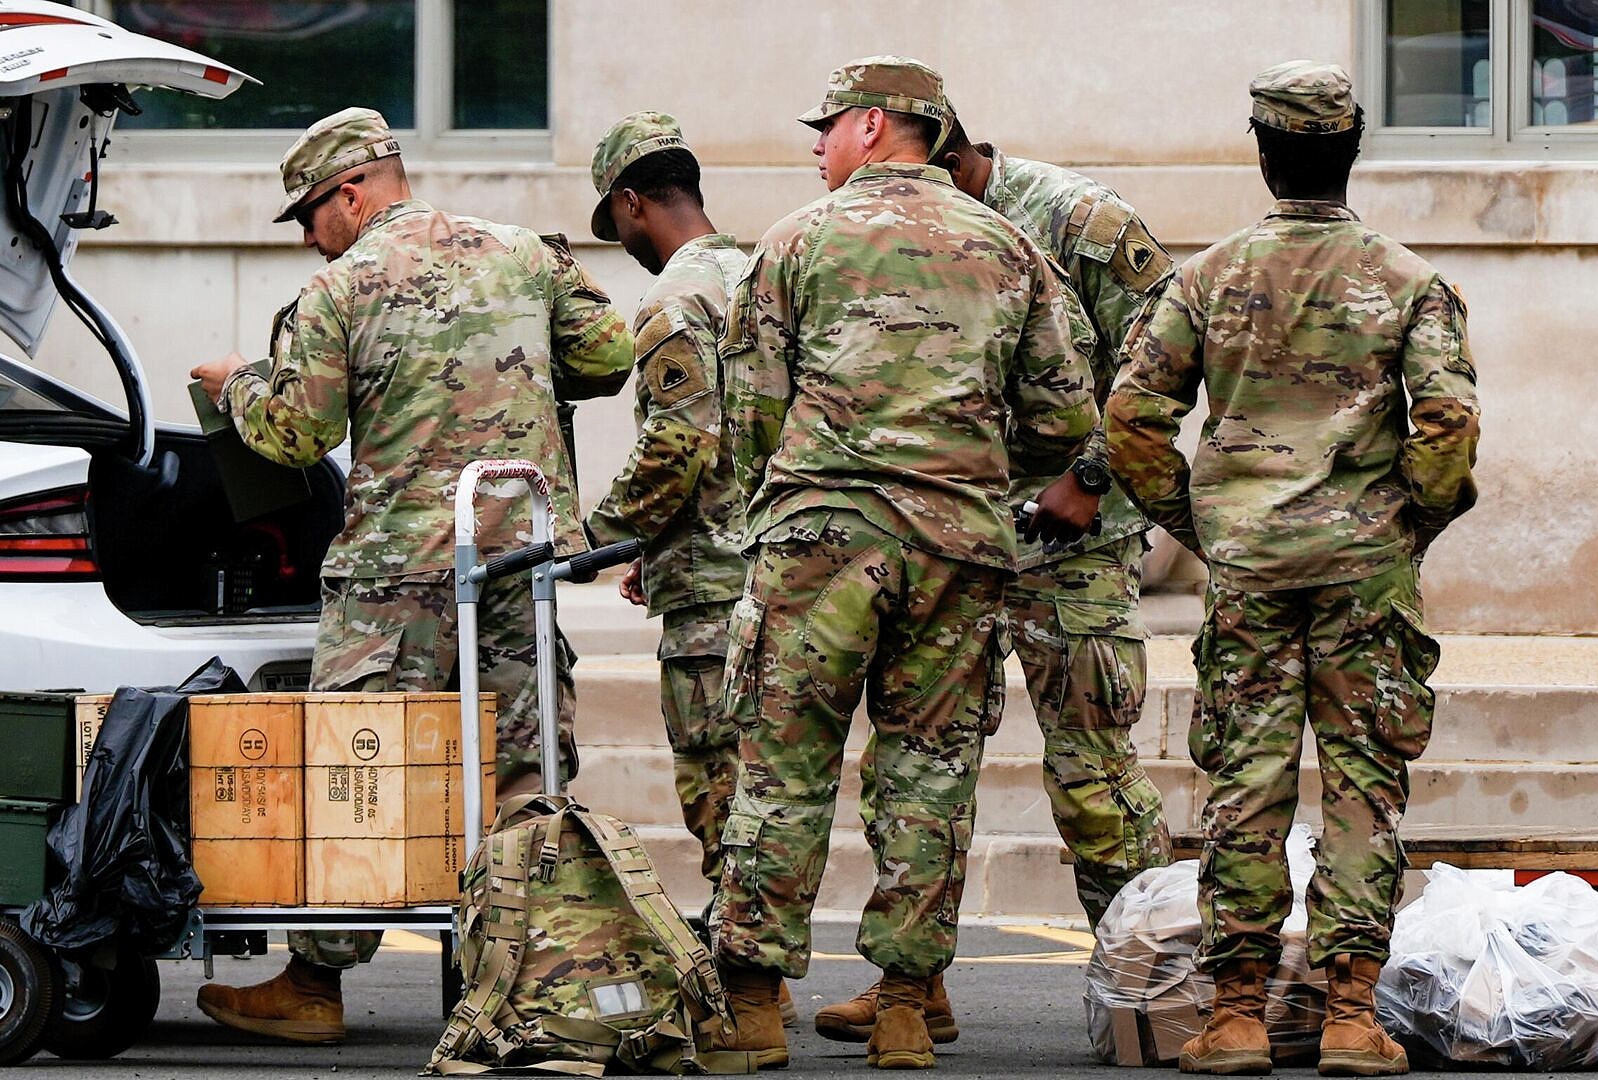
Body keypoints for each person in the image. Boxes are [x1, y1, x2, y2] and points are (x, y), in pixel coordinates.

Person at [187, 107, 633, 1045]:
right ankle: (520, 981)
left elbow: (296, 435)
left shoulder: (339, 288)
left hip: (395, 584)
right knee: (523, 771)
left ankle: (315, 985)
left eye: (310, 213)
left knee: (363, 769)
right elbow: (608, 355)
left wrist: (235, 382)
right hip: (518, 561)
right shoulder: (527, 255)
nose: (309, 235)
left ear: (351, 192)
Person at [707, 56, 1098, 1070]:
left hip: (817, 542)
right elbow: (1065, 416)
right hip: (956, 547)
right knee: (929, 772)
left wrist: (777, 504)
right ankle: (904, 1009)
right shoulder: (1007, 245)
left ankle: (752, 1001)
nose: (817, 144)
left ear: (877, 125)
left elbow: (748, 407)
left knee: (781, 761)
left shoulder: (796, 240)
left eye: (827, 125)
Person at [1105, 61, 1480, 1077]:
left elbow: (1133, 418)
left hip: (1251, 568)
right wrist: (1407, 524)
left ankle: (1235, 1014)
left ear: (1262, 152)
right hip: (1366, 567)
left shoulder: (1207, 277)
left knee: (1246, 783)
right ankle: (1354, 1014)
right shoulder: (1411, 282)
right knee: (1364, 784)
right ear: (1353, 147)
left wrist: (1203, 522)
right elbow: (1446, 424)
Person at [816, 114, 1177, 1046]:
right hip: (955, 531)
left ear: (943, 154)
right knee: (928, 763)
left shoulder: (1079, 220)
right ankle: (914, 982)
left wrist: (1090, 476)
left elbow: (1166, 361)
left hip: (1073, 536)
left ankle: (1158, 984)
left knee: (1092, 768)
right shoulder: (899, 226)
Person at [581, 111, 796, 1026]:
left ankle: (752, 989)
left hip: (713, 590)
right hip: (779, 567)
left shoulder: (676, 299)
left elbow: (678, 442)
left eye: (616, 222)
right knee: (771, 781)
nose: (621, 241)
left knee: (720, 791)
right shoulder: (764, 274)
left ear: (633, 203)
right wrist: (651, 548)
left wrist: (595, 535)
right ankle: (762, 974)